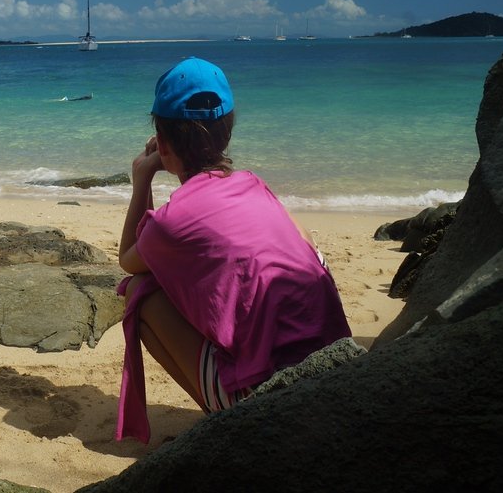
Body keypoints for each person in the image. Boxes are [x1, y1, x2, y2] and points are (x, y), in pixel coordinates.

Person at [115, 57, 351, 443]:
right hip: (332, 368)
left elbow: (128, 259)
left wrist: (142, 177)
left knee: (142, 296)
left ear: (164, 143)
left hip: (265, 401)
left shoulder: (170, 223)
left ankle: (226, 426)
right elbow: (306, 244)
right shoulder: (254, 185)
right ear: (226, 134)